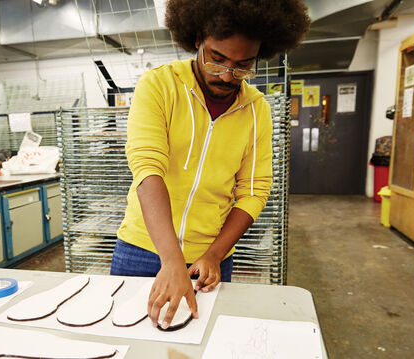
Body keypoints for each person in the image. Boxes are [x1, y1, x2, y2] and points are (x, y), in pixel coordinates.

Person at [110, 0, 311, 329]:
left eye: (242, 65)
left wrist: (216, 254)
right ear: (197, 39)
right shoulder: (159, 86)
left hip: (211, 256)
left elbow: (253, 191)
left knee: (202, 343)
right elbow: (147, 170)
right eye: (216, 59)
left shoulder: (256, 109)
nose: (227, 75)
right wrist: (172, 258)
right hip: (141, 247)